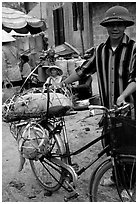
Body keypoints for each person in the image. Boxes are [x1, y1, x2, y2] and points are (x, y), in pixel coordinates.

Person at [59, 5, 136, 187]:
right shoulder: (100, 50)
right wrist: (63, 83)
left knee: (128, 147)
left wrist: (123, 96)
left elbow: (135, 78)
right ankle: (116, 178)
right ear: (106, 27)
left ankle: (129, 185)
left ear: (125, 26)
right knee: (110, 144)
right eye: (111, 25)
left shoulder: (134, 49)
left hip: (127, 108)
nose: (115, 28)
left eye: (119, 24)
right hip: (108, 109)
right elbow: (83, 71)